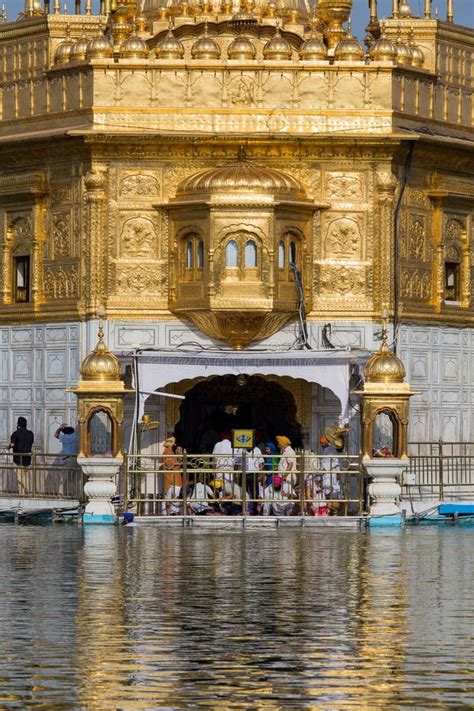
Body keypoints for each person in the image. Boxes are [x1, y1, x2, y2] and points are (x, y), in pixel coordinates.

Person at [320, 426, 345, 514]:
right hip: (326, 474)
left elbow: (336, 462)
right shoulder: (327, 449)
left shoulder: (335, 449)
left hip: (332, 474)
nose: (321, 444)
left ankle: (334, 510)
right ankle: (329, 510)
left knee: (334, 493)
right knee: (327, 492)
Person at [8, 417, 34, 495]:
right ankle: (26, 491)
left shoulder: (16, 433)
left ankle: (22, 494)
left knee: (20, 477)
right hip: (27, 459)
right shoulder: (31, 433)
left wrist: (8, 447)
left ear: (18, 425)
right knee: (25, 476)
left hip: (18, 459)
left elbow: (12, 444)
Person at [54, 423, 79, 496]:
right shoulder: (75, 437)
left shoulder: (64, 437)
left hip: (67, 459)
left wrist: (60, 428)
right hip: (74, 459)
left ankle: (64, 494)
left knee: (65, 478)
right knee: (72, 479)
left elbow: (55, 434)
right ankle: (74, 494)